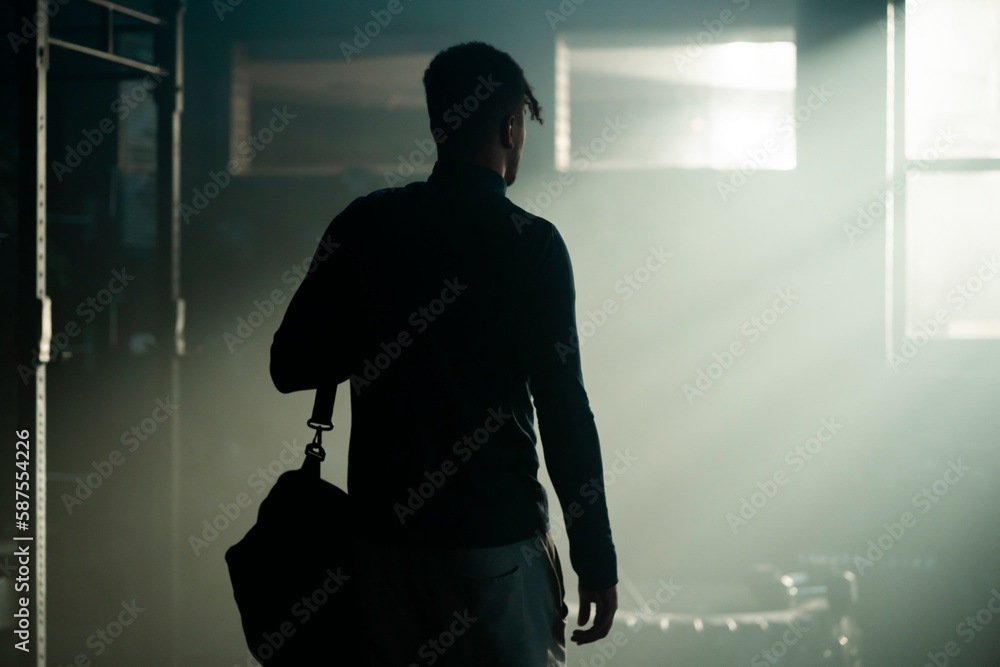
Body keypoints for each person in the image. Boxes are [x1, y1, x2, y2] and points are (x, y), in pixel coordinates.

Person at [269, 41, 618, 666]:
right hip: (495, 547)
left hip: (383, 551)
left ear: (438, 123)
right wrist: (596, 559)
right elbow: (565, 411)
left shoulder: (364, 224)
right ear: (512, 125)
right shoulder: (532, 245)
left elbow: (289, 366)